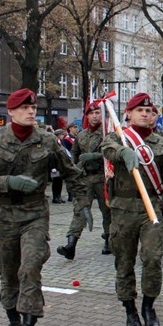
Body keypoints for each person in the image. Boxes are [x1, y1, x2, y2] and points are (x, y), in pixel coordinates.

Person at [0, 89, 92, 326]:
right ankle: (13, 321)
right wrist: (7, 181)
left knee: (30, 267)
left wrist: (82, 206)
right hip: (2, 216)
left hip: (34, 214)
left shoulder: (47, 140)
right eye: (24, 108)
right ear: (11, 112)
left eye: (33, 108)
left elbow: (73, 173)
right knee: (8, 272)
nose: (30, 112)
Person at [101, 92, 163, 326]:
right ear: (129, 114)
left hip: (152, 209)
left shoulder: (162, 143)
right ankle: (130, 310)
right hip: (124, 210)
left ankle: (148, 307)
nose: (145, 114)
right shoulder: (118, 137)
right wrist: (123, 153)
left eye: (150, 111)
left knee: (152, 258)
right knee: (124, 262)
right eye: (140, 110)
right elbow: (108, 149)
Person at [57, 103, 113, 260]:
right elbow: (74, 157)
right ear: (87, 116)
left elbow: (114, 154)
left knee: (107, 210)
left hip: (103, 177)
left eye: (97, 113)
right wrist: (76, 169)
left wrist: (96, 157)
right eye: (92, 113)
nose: (95, 116)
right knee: (80, 210)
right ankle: (71, 244)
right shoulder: (81, 136)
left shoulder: (108, 134)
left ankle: (109, 240)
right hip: (85, 178)